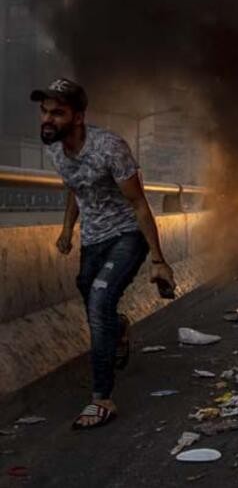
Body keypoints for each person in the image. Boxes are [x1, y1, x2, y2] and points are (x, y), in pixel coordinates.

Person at [31, 78, 176, 429]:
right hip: (93, 239)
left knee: (98, 300)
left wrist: (158, 259)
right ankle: (119, 329)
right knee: (90, 291)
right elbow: (74, 187)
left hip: (127, 234)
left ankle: (101, 399)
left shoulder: (110, 147)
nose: (48, 119)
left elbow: (140, 204)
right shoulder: (54, 149)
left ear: (78, 117)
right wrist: (68, 229)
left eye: (58, 113)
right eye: (45, 111)